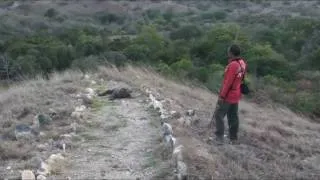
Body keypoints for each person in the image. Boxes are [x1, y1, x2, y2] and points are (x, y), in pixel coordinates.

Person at [212, 44, 247, 145]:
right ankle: (233, 138)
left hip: (228, 94)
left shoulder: (233, 65)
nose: (227, 53)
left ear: (231, 53)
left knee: (219, 114)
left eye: (228, 51)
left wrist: (222, 96)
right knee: (233, 116)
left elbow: (228, 82)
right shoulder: (242, 63)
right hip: (236, 93)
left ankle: (219, 138)